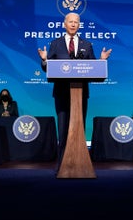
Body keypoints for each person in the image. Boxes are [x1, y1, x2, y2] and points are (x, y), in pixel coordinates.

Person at [37, 12, 112, 162]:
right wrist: (45, 60)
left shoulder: (87, 45)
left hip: (81, 93)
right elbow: (48, 68)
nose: (73, 24)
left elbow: (92, 68)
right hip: (61, 93)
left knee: (79, 128)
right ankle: (62, 164)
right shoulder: (55, 44)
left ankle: (79, 163)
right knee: (63, 129)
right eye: (70, 22)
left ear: (79, 25)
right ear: (64, 24)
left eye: (76, 22)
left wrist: (101, 61)